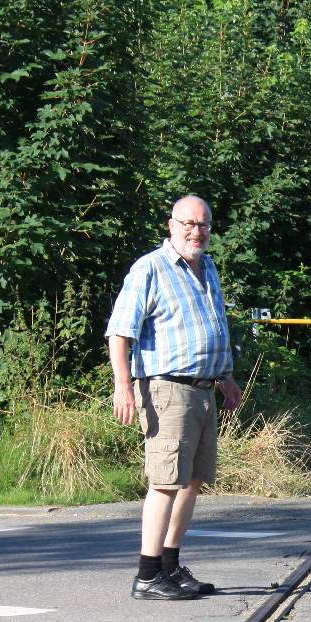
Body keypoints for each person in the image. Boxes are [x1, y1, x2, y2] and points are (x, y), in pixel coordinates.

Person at [106, 195, 242, 600]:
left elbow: (212, 326)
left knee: (192, 482)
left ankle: (170, 566)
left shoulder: (209, 267)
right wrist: (123, 384)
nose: (196, 231)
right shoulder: (151, 267)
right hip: (167, 389)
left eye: (203, 225)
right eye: (188, 223)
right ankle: (147, 576)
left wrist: (226, 377)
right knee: (165, 482)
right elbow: (120, 331)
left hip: (204, 389)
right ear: (171, 225)